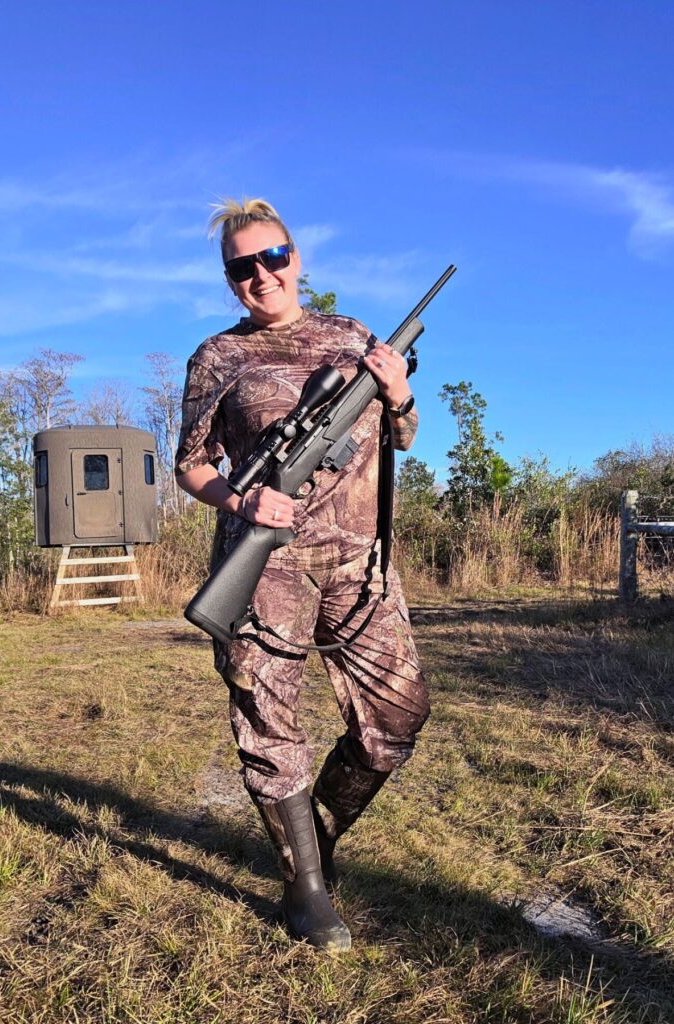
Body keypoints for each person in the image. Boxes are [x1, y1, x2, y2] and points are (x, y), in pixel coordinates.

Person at [175, 198, 429, 951]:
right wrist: (240, 494)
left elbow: (402, 435)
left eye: (273, 257)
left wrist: (398, 390)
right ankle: (307, 888)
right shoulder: (217, 357)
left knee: (398, 715)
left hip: (358, 562)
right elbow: (191, 467)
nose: (261, 275)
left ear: (296, 258)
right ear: (230, 280)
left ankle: (311, 834)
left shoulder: (352, 338)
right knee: (268, 720)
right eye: (242, 266)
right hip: (265, 567)